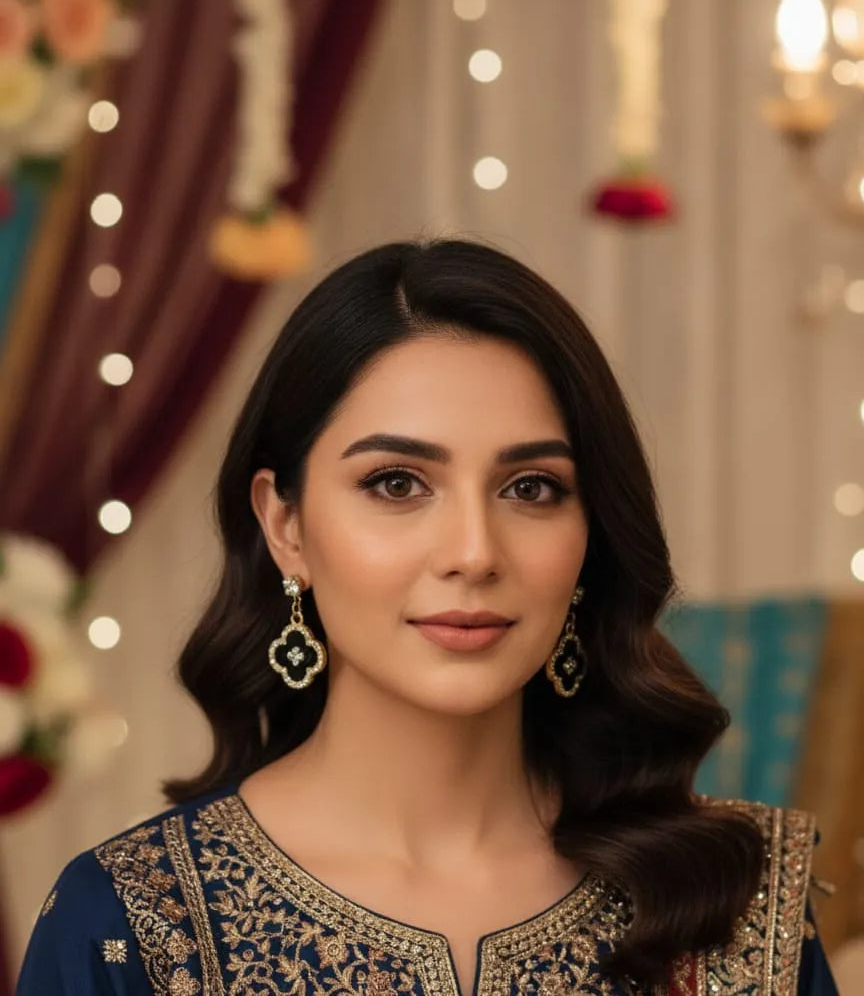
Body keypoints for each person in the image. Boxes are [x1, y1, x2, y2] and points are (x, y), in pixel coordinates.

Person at [17, 239, 839, 995]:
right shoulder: (137, 922)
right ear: (285, 526)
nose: (475, 553)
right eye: (397, 484)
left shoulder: (731, 903)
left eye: (531, 489)